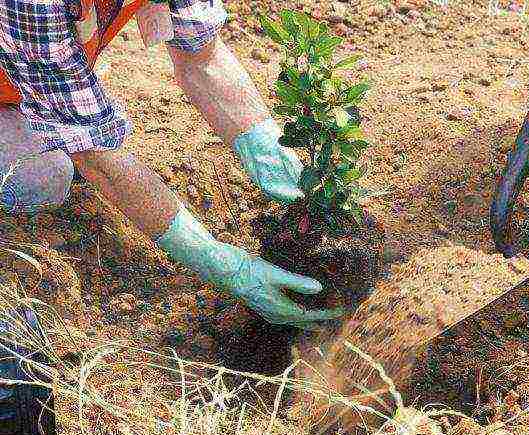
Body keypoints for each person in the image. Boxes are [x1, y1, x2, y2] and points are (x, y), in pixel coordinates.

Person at [0, 0, 343, 327]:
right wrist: (218, 262)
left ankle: (42, 99)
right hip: (18, 59)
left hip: (22, 68)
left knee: (66, 130)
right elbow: (96, 155)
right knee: (42, 177)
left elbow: (202, 58)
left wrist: (264, 143)